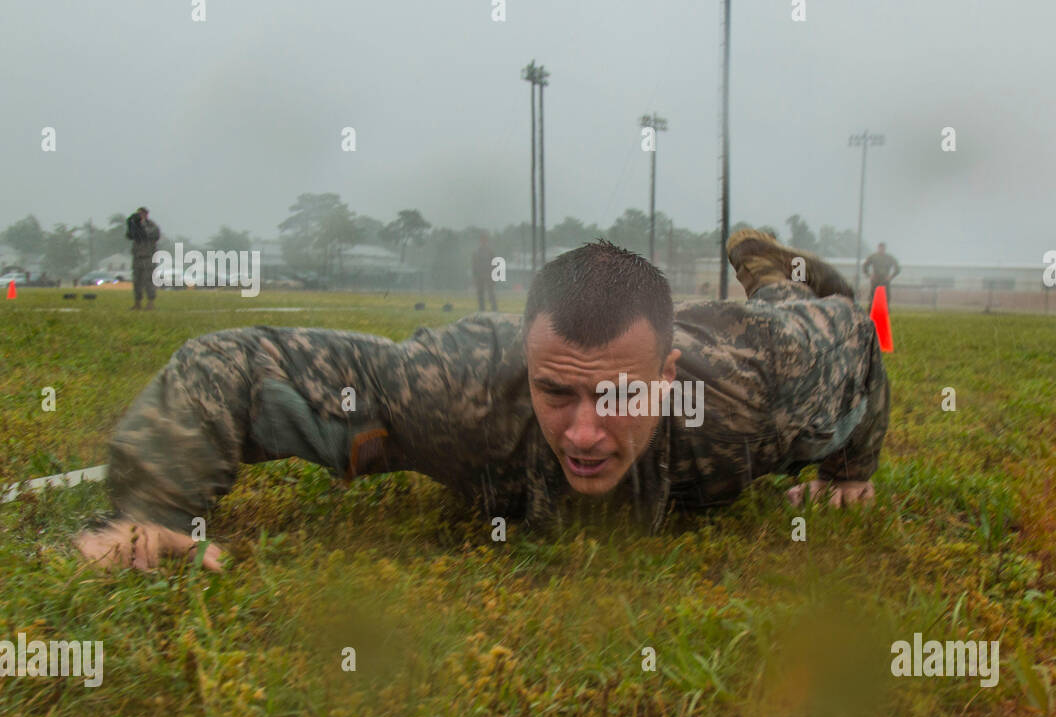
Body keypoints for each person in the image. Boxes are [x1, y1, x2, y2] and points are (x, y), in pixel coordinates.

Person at [76, 234, 890, 571]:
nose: (583, 432)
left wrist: (853, 462)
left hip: (735, 331)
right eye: (555, 390)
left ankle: (773, 273)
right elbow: (235, 364)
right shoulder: (458, 389)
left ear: (665, 375)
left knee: (789, 311)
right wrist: (155, 508)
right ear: (525, 366)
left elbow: (854, 340)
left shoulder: (746, 394)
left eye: (616, 396)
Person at [125, 207, 161, 310]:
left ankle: (150, 303)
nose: (139, 216)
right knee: (137, 281)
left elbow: (151, 234)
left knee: (148, 280)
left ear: (146, 214)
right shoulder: (136, 225)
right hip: (137, 257)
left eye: (141, 214)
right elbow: (129, 236)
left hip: (148, 257)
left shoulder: (152, 226)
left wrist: (143, 225)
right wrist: (131, 224)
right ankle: (137, 303)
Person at [472, 234, 498, 312]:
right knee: (480, 294)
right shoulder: (476, 252)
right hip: (479, 276)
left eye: (484, 240)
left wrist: (494, 276)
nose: (483, 242)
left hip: (489, 276)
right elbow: (474, 265)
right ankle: (481, 310)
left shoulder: (490, 252)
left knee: (491, 294)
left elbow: (494, 264)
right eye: (482, 240)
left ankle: (494, 309)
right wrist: (475, 276)